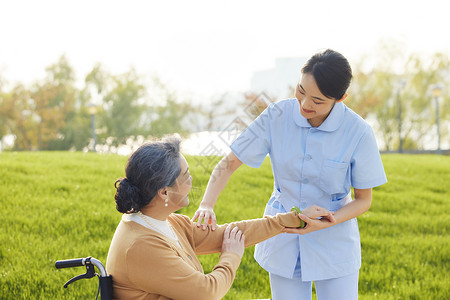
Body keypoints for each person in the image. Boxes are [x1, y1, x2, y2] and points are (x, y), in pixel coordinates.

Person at [192, 49, 387, 300]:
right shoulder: (277, 115)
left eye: (318, 101)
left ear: (340, 98)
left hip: (333, 239)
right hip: (282, 232)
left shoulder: (358, 132)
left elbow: (363, 199)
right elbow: (229, 163)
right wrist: (207, 203)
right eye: (301, 91)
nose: (305, 104)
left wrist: (328, 221)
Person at [106, 137, 335, 300]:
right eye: (186, 176)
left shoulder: (165, 221)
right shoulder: (141, 246)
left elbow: (229, 234)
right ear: (164, 192)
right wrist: (231, 257)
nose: (192, 180)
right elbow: (206, 292)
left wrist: (295, 218)